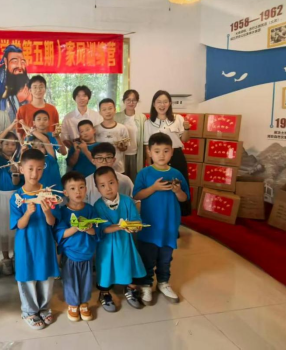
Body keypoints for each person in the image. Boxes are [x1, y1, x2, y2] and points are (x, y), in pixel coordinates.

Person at [133, 133, 189, 305]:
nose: (162, 155)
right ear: (149, 152)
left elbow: (184, 198)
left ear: (172, 152)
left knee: (166, 257)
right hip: (149, 225)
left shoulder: (176, 174)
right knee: (147, 256)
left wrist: (177, 191)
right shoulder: (144, 173)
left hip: (169, 225)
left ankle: (163, 282)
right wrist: (154, 188)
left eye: (166, 151)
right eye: (157, 151)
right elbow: (137, 195)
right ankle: (146, 284)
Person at [10, 149, 60, 330]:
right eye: (30, 168)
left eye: (39, 169)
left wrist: (47, 211)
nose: (34, 173)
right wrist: (28, 213)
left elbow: (52, 222)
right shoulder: (17, 197)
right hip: (25, 243)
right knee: (27, 275)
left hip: (45, 241)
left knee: (46, 275)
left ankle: (44, 308)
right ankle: (29, 311)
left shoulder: (48, 193)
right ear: (21, 169)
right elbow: (19, 225)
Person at [94, 166, 146, 312]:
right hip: (107, 245)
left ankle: (130, 288)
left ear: (117, 182)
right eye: (102, 185)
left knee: (130, 263)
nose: (108, 188)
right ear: (97, 188)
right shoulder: (97, 206)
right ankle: (105, 293)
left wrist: (135, 226)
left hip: (125, 242)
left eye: (111, 183)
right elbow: (103, 228)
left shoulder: (128, 201)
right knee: (106, 268)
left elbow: (137, 220)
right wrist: (121, 226)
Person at [54, 171, 98, 322]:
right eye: (72, 188)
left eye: (81, 187)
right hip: (70, 254)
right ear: (65, 192)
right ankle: (73, 304)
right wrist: (76, 228)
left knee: (86, 280)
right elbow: (60, 234)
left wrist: (89, 228)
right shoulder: (62, 212)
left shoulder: (90, 209)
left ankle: (84, 302)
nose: (77, 192)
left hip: (87, 252)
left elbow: (96, 231)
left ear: (86, 189)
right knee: (70, 280)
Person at [144, 90, 191, 216]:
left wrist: (187, 128)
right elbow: (147, 147)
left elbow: (185, 139)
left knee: (178, 185)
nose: (162, 105)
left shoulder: (178, 118)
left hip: (176, 156)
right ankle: (162, 213)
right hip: (158, 159)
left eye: (165, 102)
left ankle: (181, 214)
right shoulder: (148, 123)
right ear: (154, 104)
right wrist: (150, 164)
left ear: (170, 103)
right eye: (159, 102)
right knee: (162, 185)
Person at [0, 121, 23, 275]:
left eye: (13, 144)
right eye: (7, 144)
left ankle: (17, 257)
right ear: (1, 145)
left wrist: (15, 172)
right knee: (3, 229)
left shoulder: (19, 159)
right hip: (1, 197)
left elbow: (16, 183)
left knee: (17, 228)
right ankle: (6, 260)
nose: (10, 147)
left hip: (16, 196)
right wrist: (10, 128)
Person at [0, 45, 32, 120]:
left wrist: (31, 100)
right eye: (15, 61)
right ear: (6, 62)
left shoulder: (24, 79)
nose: (20, 66)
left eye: (22, 62)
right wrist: (17, 99)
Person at [115, 89, 148, 181]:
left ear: (137, 102)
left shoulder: (142, 117)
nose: (131, 102)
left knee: (135, 180)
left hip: (136, 154)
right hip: (120, 155)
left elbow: (145, 139)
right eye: (128, 100)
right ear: (124, 101)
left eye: (134, 100)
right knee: (121, 180)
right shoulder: (116, 117)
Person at [95, 98, 129, 174]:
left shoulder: (122, 128)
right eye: (104, 109)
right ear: (100, 112)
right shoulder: (96, 129)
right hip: (100, 168)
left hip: (118, 168)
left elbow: (125, 148)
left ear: (115, 110)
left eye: (110, 108)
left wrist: (121, 147)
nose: (108, 111)